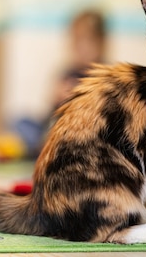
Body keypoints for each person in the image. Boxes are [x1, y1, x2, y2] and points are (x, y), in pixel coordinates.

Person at [14, 9, 107, 157]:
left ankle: (45, 148)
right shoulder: (67, 72)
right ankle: (42, 145)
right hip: (53, 127)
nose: (82, 48)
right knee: (20, 122)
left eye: (88, 42)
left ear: (101, 43)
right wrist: (56, 97)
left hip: (83, 134)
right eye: (77, 42)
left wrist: (76, 99)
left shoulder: (105, 75)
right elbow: (50, 112)